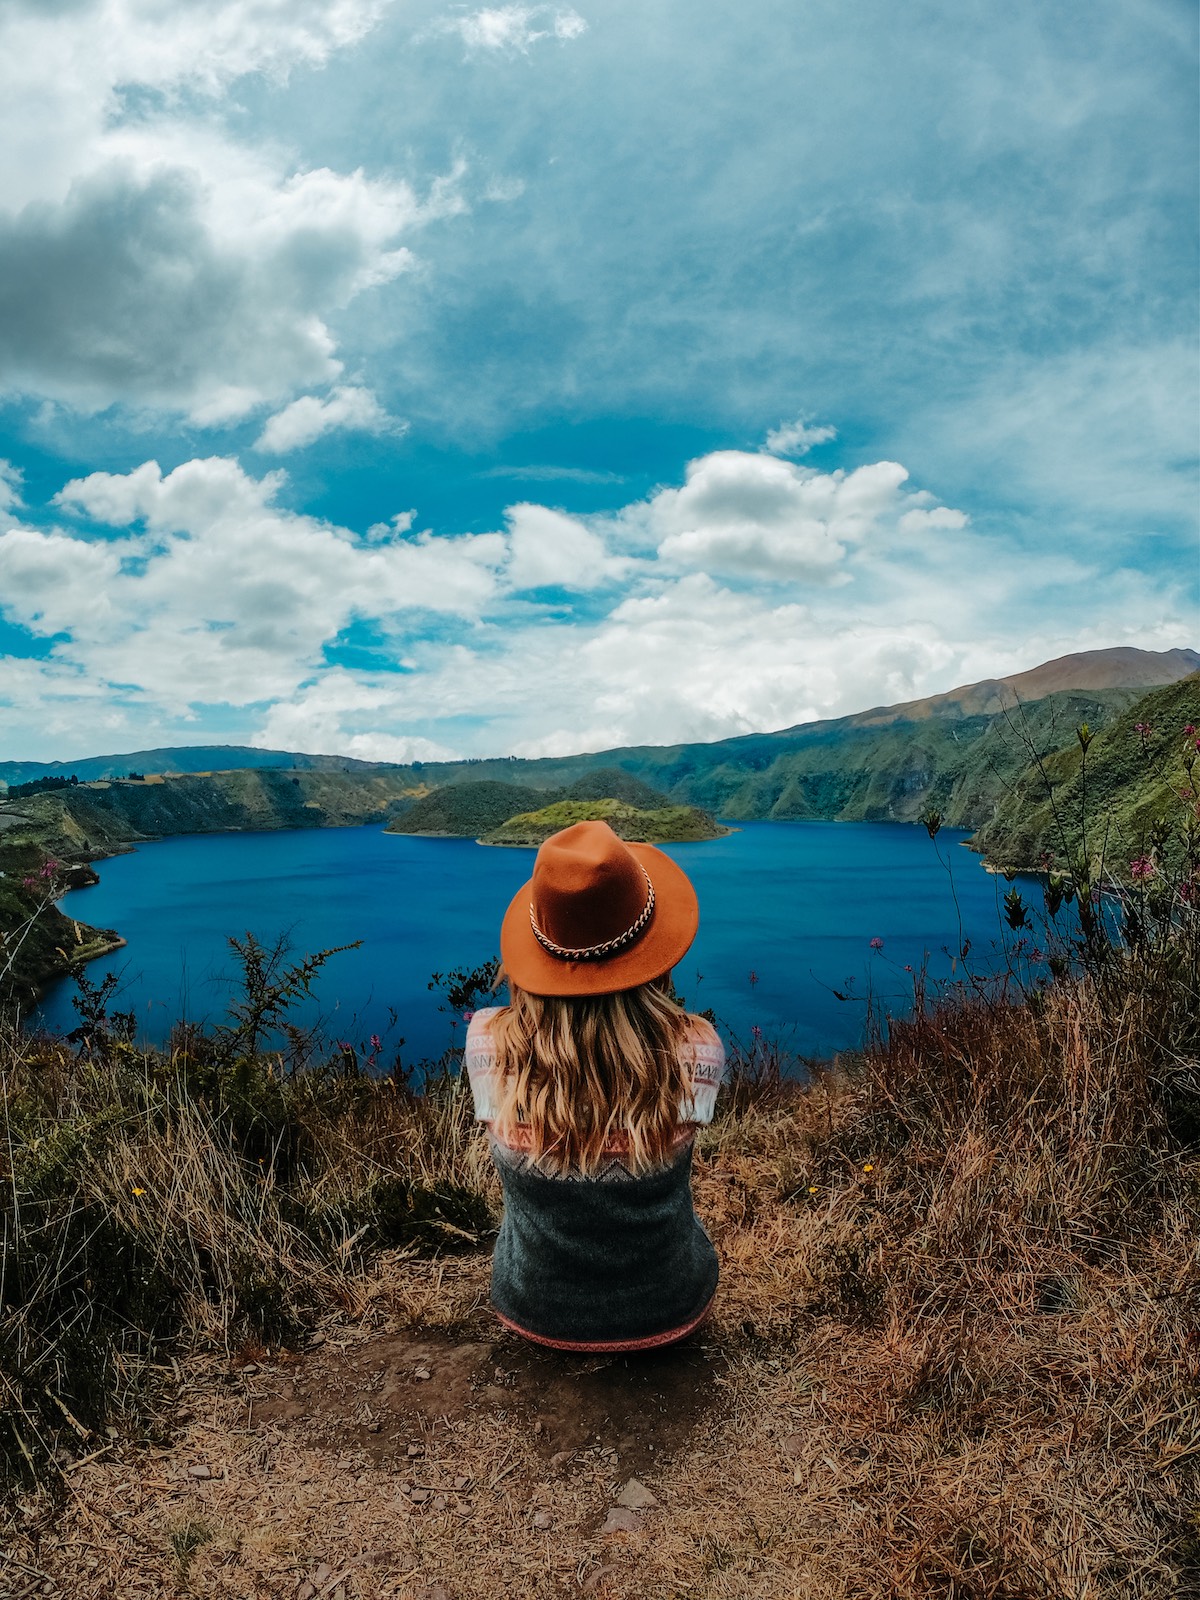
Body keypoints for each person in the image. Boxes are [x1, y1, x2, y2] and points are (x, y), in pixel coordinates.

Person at [464, 818, 725, 1352]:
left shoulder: (486, 1041)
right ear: (654, 949)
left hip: (533, 1306)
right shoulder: (698, 1049)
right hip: (670, 1305)